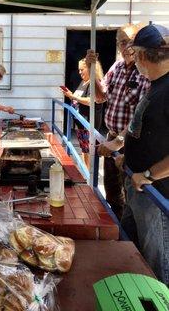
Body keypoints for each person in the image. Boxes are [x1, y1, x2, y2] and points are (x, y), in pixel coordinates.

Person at [119, 24, 169, 284]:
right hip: (137, 185)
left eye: (135, 53)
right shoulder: (155, 85)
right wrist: (125, 153)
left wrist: (148, 174)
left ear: (142, 55)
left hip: (155, 192)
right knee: (129, 246)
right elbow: (145, 129)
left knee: (156, 262)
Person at [87, 24, 150, 219]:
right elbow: (101, 96)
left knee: (131, 197)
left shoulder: (146, 71)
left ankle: (127, 239)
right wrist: (92, 71)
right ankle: (115, 229)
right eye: (121, 42)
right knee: (112, 192)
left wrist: (120, 141)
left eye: (129, 42)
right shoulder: (117, 66)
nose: (126, 47)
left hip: (130, 143)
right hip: (112, 138)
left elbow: (143, 115)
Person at [60, 57, 104, 170]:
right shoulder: (84, 82)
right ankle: (86, 172)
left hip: (88, 123)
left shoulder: (94, 83)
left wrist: (72, 96)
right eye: (79, 70)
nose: (79, 72)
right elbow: (78, 97)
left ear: (90, 69)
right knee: (84, 149)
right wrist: (70, 94)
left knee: (89, 150)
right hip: (81, 123)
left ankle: (89, 175)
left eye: (82, 69)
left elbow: (91, 101)